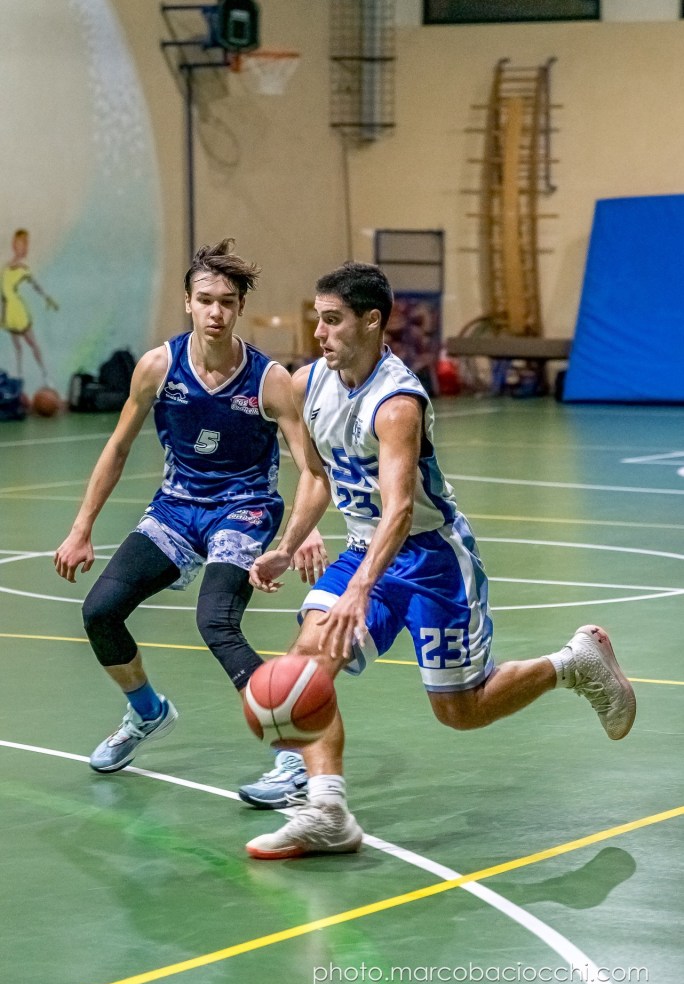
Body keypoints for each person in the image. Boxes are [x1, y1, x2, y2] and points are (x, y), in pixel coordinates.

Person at [245, 260, 636, 859]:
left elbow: (400, 511)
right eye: (317, 319)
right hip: (364, 550)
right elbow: (318, 476)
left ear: (372, 321)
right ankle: (327, 811)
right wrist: (288, 544)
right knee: (308, 664)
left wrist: (359, 591)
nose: (318, 332)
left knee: (461, 710)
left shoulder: (396, 403)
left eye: (332, 320)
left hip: (432, 561)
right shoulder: (307, 384)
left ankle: (573, 663)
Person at [54, 239, 327, 773]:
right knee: (100, 612)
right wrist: (81, 527)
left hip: (244, 508)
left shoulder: (269, 380)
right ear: (188, 303)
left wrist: (304, 531)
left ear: (240, 307)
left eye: (226, 302)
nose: (215, 312)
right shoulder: (159, 367)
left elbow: (311, 468)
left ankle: (293, 751)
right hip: (176, 509)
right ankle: (147, 713)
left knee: (216, 621)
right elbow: (118, 447)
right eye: (205, 300)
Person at [1, 229, 58, 383]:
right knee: (17, 347)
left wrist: (47, 298)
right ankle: (19, 376)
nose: (18, 247)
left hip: (18, 310)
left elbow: (35, 285)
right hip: (9, 312)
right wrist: (3, 315)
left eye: (22, 244)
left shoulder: (23, 269)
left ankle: (45, 373)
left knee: (32, 343)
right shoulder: (5, 267)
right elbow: (3, 294)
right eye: (17, 243)